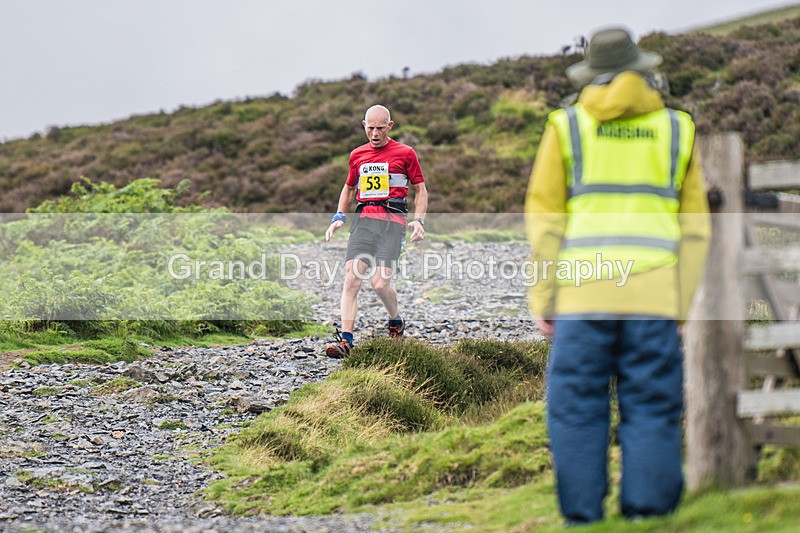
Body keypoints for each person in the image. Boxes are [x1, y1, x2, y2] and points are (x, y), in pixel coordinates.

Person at [524, 28, 711, 523]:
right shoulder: (677, 129)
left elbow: (546, 223)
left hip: (582, 297)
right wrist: (681, 302)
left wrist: (544, 297)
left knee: (576, 407)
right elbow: (696, 230)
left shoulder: (566, 126)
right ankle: (648, 515)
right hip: (653, 297)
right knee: (651, 405)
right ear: (642, 69)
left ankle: (583, 517)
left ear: (591, 74)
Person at [324, 104, 428, 358]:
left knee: (380, 284)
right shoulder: (357, 155)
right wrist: (339, 216)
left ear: (390, 126)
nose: (375, 134)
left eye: (380, 128)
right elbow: (350, 188)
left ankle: (395, 320)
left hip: (393, 223)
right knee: (352, 278)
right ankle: (346, 341)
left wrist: (419, 221)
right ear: (364, 126)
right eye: (370, 128)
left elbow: (420, 189)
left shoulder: (406, 153)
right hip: (364, 221)